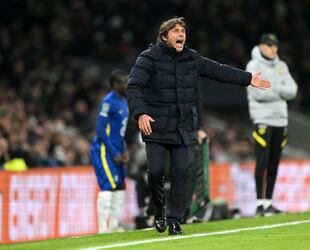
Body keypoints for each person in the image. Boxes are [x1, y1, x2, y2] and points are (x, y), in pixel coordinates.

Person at [126, 17, 271, 235]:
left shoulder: (191, 58)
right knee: (155, 172)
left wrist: (248, 78)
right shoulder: (148, 58)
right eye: (175, 30)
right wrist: (141, 113)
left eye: (183, 30)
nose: (181, 34)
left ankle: (175, 219)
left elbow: (219, 71)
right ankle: (158, 208)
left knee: (181, 172)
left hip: (182, 128)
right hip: (156, 127)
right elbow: (134, 86)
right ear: (164, 36)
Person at [246, 33, 298, 216]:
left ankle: (268, 203)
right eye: (269, 45)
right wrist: (281, 91)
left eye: (275, 45)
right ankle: (259, 204)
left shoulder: (281, 65)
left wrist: (273, 88)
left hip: (280, 121)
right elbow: (258, 94)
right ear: (261, 46)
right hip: (263, 120)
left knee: (274, 163)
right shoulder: (253, 65)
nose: (273, 48)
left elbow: (293, 90)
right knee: (262, 161)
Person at [90, 69, 129, 233]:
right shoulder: (108, 102)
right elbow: (100, 129)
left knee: (120, 186)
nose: (126, 84)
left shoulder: (123, 101)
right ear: (114, 84)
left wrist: (124, 149)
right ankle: (102, 229)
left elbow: (119, 130)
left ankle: (113, 225)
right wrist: (114, 153)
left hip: (118, 149)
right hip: (104, 150)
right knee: (108, 186)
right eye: (123, 82)